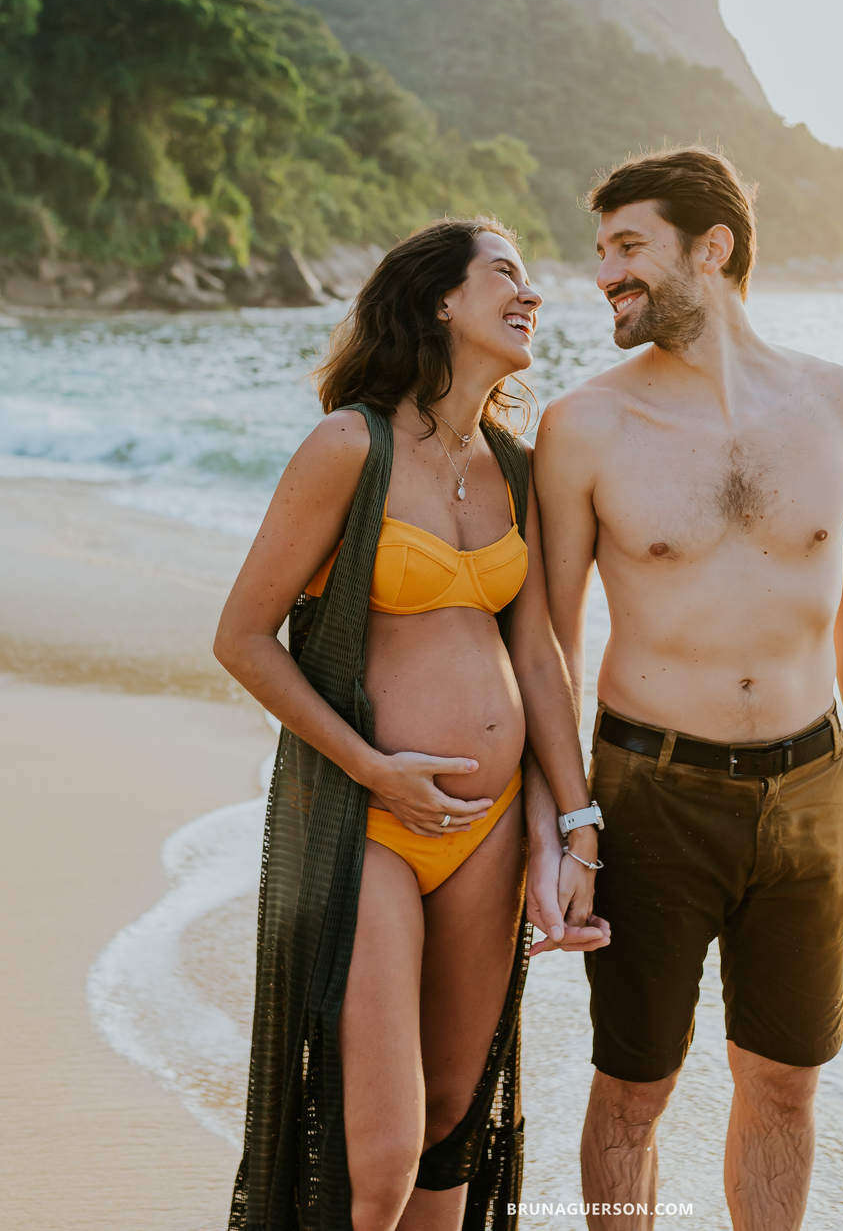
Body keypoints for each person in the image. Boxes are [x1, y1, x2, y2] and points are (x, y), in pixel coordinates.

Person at [215, 217, 608, 1231]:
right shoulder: (353, 446)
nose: (532, 294)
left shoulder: (517, 468)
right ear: (441, 298)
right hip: (371, 821)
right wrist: (372, 767)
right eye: (507, 275)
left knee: (450, 1125)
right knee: (378, 1156)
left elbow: (540, 661)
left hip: (486, 833)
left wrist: (575, 822)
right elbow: (245, 636)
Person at [535, 148, 843, 1231]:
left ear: (715, 248)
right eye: (600, 251)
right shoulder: (584, 426)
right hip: (651, 792)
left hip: (810, 787)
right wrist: (569, 820)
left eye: (629, 247)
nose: (605, 272)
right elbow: (547, 643)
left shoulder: (841, 405)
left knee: (786, 1079)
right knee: (636, 1090)